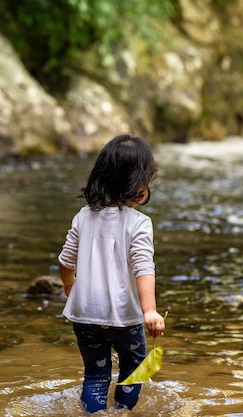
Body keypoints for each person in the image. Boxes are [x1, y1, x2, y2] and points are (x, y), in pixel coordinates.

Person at [58, 134, 166, 413]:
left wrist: (70, 286)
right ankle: (121, 411)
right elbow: (144, 267)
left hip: (85, 313)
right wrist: (150, 310)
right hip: (123, 317)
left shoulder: (83, 216)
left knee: (96, 374)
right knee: (134, 369)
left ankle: (94, 412)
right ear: (139, 182)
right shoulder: (139, 223)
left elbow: (66, 260)